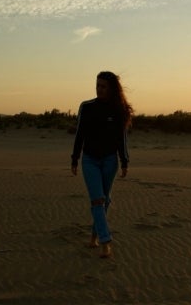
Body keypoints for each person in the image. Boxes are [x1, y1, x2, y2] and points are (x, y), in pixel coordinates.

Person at [71, 71, 133, 258]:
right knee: (97, 200)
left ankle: (93, 237)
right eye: (97, 85)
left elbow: (121, 139)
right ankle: (106, 241)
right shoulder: (87, 107)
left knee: (104, 200)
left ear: (111, 88)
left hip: (110, 161)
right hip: (89, 160)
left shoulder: (118, 110)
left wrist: (124, 161)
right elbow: (79, 134)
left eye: (103, 86)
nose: (99, 89)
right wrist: (75, 158)